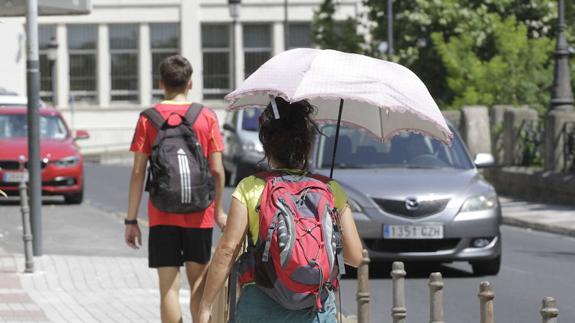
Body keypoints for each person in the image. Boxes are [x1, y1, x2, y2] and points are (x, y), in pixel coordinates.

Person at [198, 98, 363, 323]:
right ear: (308, 144)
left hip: (260, 306)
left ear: (266, 143)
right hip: (316, 309)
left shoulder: (252, 186)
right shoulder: (330, 189)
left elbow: (228, 250)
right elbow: (354, 256)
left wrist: (205, 305)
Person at [125, 55, 227, 323]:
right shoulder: (206, 117)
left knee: (168, 288)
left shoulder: (148, 119)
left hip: (161, 213)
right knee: (199, 286)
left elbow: (138, 172)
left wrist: (131, 219)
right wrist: (218, 211)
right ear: (190, 83)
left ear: (161, 83)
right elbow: (217, 170)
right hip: (200, 213)